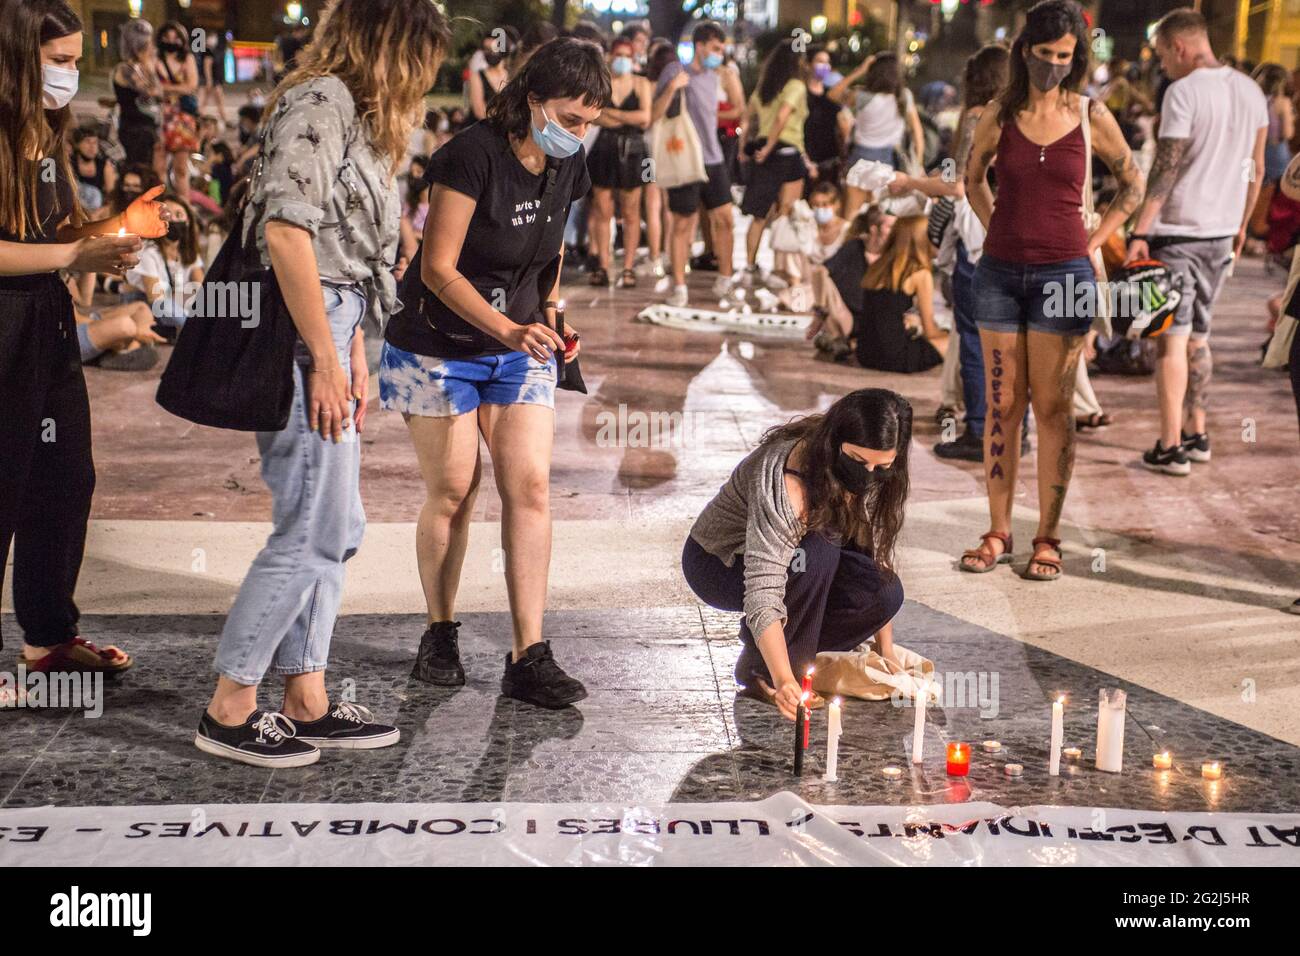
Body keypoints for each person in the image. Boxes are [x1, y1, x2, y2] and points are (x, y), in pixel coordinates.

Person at [196, 0, 451, 768]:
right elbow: (285, 232)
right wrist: (329, 357)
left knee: (335, 528)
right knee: (310, 526)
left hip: (333, 325)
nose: (428, 80)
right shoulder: (321, 103)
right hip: (306, 330)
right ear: (392, 50)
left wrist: (355, 348)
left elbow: (347, 248)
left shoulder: (351, 113)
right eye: (423, 62)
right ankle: (230, 704)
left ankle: (305, 694)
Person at [379, 38, 605, 709]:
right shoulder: (469, 156)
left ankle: (527, 654)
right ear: (533, 100)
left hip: (520, 345)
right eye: (569, 118)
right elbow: (436, 268)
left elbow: (552, 251)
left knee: (529, 485)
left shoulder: (567, 165)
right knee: (454, 487)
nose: (579, 133)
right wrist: (505, 326)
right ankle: (440, 629)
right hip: (439, 343)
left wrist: (554, 318)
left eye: (589, 122)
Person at [0, 0, 167, 679]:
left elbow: (54, 236)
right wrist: (73, 258)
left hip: (43, 321)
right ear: (17, 56)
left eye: (74, 60)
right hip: (5, 323)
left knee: (63, 476)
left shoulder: (47, 130)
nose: (70, 75)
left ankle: (48, 640)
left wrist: (112, 230)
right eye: (60, 61)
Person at [960, 0, 1144, 580]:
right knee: (1003, 405)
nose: (1055, 67)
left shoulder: (1091, 115)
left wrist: (1096, 241)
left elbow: (1132, 184)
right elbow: (971, 179)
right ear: (1024, 52)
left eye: (1066, 57)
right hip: (998, 274)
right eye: (1045, 56)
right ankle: (997, 531)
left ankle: (1048, 536)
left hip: (1066, 277)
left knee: (1055, 408)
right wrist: (998, 229)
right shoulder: (1000, 112)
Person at [681, 389, 911, 719]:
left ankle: (765, 658)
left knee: (884, 593)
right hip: (720, 563)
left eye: (882, 467)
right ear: (836, 441)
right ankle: (768, 672)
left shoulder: (874, 468)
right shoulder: (785, 477)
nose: (869, 476)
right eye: (859, 462)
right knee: (817, 554)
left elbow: (868, 551)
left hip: (804, 561)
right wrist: (785, 678)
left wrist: (885, 649)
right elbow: (763, 591)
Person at [1125, 8, 1268, 475]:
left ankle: (1169, 447)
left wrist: (1141, 230)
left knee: (1171, 341)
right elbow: (1257, 168)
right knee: (1199, 337)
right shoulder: (1251, 89)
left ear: (1180, 47)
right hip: (1222, 232)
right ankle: (1198, 432)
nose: (1162, 63)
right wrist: (1243, 223)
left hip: (1178, 232)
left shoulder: (1182, 91)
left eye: (1163, 54)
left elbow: (1165, 170)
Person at [897, 45, 1011, 461]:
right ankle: (1017, 430)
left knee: (977, 342)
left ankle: (980, 429)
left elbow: (959, 183)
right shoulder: (1026, 114)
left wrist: (907, 182)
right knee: (1014, 343)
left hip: (979, 238)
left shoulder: (978, 116)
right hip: (1015, 236)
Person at [652, 20, 735, 307]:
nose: (719, 54)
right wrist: (672, 88)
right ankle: (679, 286)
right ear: (699, 46)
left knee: (725, 218)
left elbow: (737, 109)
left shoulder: (718, 76)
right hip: (685, 158)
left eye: (722, 49)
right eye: (715, 48)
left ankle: (725, 280)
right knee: (683, 224)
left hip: (714, 158)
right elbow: (654, 114)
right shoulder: (676, 71)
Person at [738, 39, 810, 284]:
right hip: (787, 152)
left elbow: (745, 121)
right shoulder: (796, 86)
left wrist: (743, 150)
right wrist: (770, 147)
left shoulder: (763, 89)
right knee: (787, 212)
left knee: (759, 215)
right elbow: (782, 117)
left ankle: (749, 265)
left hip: (762, 153)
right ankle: (783, 268)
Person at [587, 34, 651, 287]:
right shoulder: (601, 83)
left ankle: (628, 268)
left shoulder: (641, 83)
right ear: (611, 57)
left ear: (633, 59)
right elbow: (593, 115)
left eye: (628, 56)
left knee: (631, 211)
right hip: (604, 149)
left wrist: (611, 114)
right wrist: (627, 117)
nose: (623, 60)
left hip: (633, 150)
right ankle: (603, 265)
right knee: (602, 210)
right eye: (619, 55)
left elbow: (645, 119)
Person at [833, 52, 924, 216]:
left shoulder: (861, 97)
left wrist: (859, 70)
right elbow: (917, 133)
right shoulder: (903, 97)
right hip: (889, 159)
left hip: (860, 157)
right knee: (883, 215)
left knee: (852, 215)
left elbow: (833, 94)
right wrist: (918, 163)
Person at [854, 214, 944, 372]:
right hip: (895, 356)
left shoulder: (877, 267)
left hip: (865, 353)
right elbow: (930, 331)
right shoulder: (920, 274)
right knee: (957, 342)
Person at [123, 191, 203, 339]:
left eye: (179, 215)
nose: (172, 220)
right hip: (149, 307)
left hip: (177, 306)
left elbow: (199, 288)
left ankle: (190, 330)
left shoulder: (188, 251)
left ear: (188, 221)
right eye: (167, 216)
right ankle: (194, 332)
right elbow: (156, 300)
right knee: (166, 306)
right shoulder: (148, 251)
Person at [112, 17, 163, 174]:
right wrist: (150, 67)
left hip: (147, 130)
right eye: (148, 44)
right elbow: (151, 91)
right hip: (134, 131)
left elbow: (159, 93)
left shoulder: (141, 68)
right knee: (136, 173)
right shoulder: (125, 69)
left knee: (148, 173)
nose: (152, 48)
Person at [155, 19, 200, 192]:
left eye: (176, 37)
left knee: (181, 168)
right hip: (160, 116)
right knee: (158, 167)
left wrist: (163, 88)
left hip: (182, 118)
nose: (172, 41)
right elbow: (150, 85)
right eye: (167, 37)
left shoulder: (187, 58)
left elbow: (191, 86)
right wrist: (177, 89)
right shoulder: (154, 58)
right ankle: (160, 207)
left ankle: (184, 204)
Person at [805, 45, 851, 187]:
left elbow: (842, 126)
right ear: (808, 65)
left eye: (827, 62)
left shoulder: (831, 95)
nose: (824, 66)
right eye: (820, 61)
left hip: (830, 161)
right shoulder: (800, 94)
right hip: (806, 160)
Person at [468, 26, 516, 122]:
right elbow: (479, 111)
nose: (488, 53)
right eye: (485, 49)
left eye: (493, 49)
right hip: (481, 129)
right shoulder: (477, 75)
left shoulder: (512, 77)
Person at [70, 122, 116, 217]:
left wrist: (97, 213)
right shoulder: (70, 163)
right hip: (76, 208)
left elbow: (112, 197)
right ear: (78, 144)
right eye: (87, 141)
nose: (92, 147)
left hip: (97, 210)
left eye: (95, 142)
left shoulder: (104, 165)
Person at [197, 29, 228, 124]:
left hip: (211, 80)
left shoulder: (208, 50)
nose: (214, 40)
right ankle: (198, 119)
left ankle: (199, 118)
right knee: (205, 100)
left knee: (206, 100)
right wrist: (209, 80)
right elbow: (207, 66)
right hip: (211, 80)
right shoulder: (208, 51)